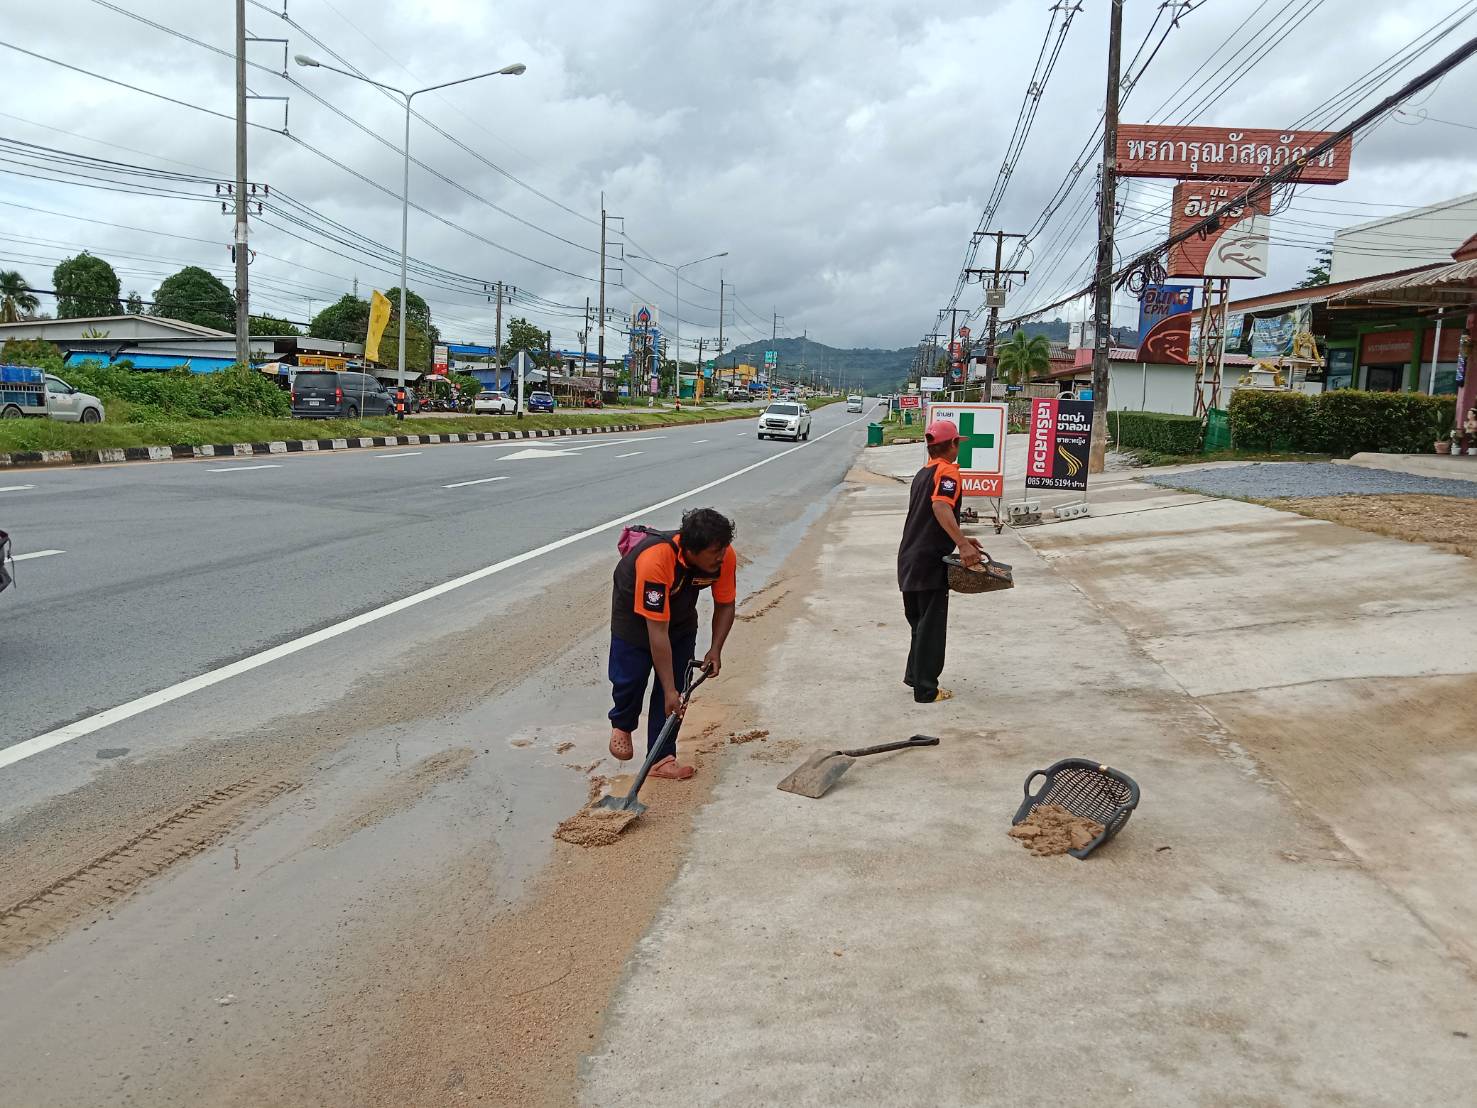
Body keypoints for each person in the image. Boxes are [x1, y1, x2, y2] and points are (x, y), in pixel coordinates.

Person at [608, 507, 738, 779]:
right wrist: (667, 688)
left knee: (678, 689)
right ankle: (622, 722)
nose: (721, 556)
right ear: (691, 550)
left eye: (724, 548)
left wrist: (716, 648)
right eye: (715, 552)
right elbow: (657, 631)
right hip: (634, 613)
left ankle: (661, 758)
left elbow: (725, 604)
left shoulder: (723, 558)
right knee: (630, 677)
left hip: (680, 615)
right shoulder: (656, 559)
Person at [896, 419, 984, 704]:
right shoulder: (948, 472)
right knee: (931, 627)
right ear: (953, 444)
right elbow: (940, 506)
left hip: (909, 557)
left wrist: (963, 537)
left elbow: (929, 517)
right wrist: (960, 543)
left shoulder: (923, 473)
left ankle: (914, 676)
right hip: (929, 561)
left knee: (919, 623)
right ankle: (926, 690)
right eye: (959, 442)